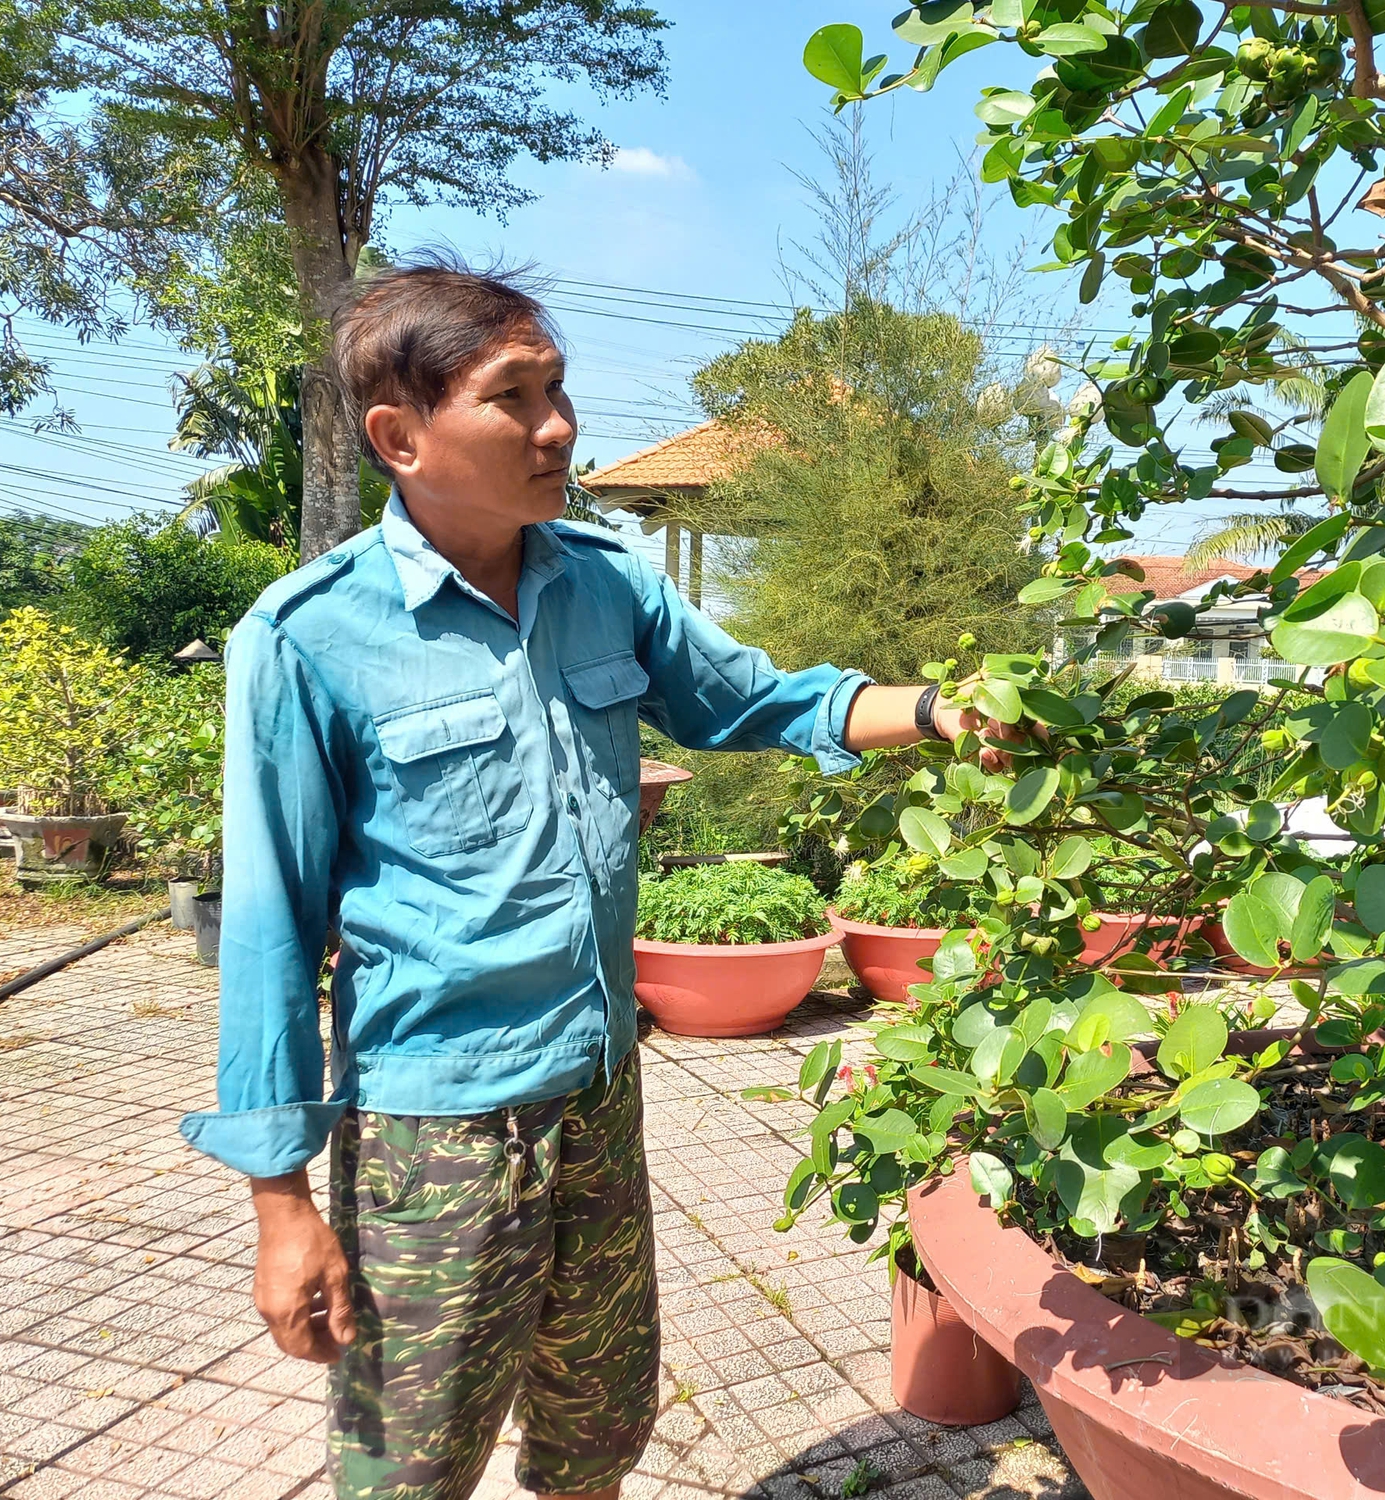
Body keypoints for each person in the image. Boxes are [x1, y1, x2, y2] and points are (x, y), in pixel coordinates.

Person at [179, 257, 1001, 1500]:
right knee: (408, 1468)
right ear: (399, 436)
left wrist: (945, 710)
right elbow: (269, 934)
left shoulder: (604, 584)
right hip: (434, 1135)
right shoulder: (308, 639)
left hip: (600, 1099)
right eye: (514, 398)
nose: (557, 426)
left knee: (594, 1440)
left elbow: (760, 702)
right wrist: (280, 1204)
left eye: (557, 389)